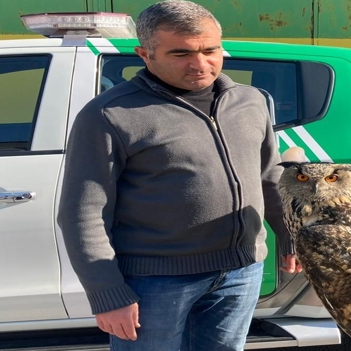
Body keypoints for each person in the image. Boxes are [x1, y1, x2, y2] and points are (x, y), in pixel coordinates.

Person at [57, 1, 301, 350]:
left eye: (210, 50)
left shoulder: (251, 101)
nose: (200, 64)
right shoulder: (109, 115)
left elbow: (269, 176)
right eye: (181, 53)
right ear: (145, 54)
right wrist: (107, 293)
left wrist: (290, 235)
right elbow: (83, 213)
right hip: (154, 281)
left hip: (241, 272)